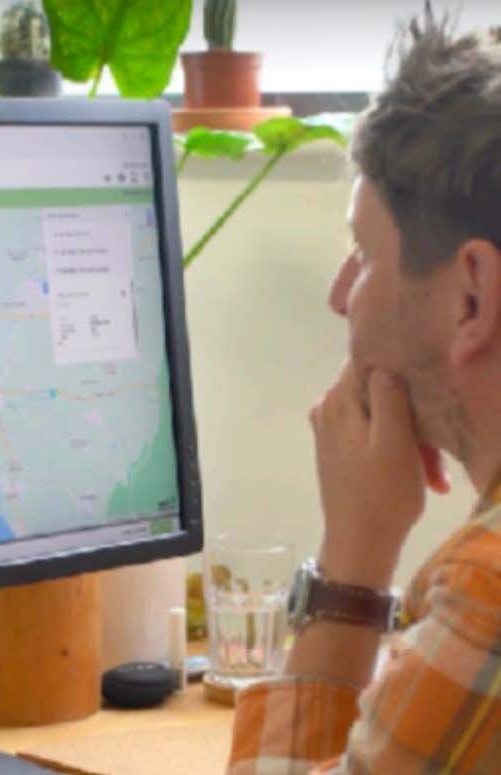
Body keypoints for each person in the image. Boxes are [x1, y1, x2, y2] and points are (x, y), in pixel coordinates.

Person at [228, 7, 501, 774]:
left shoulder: (489, 593)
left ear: (471, 297)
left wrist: (352, 559)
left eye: (363, 252)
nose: (341, 294)